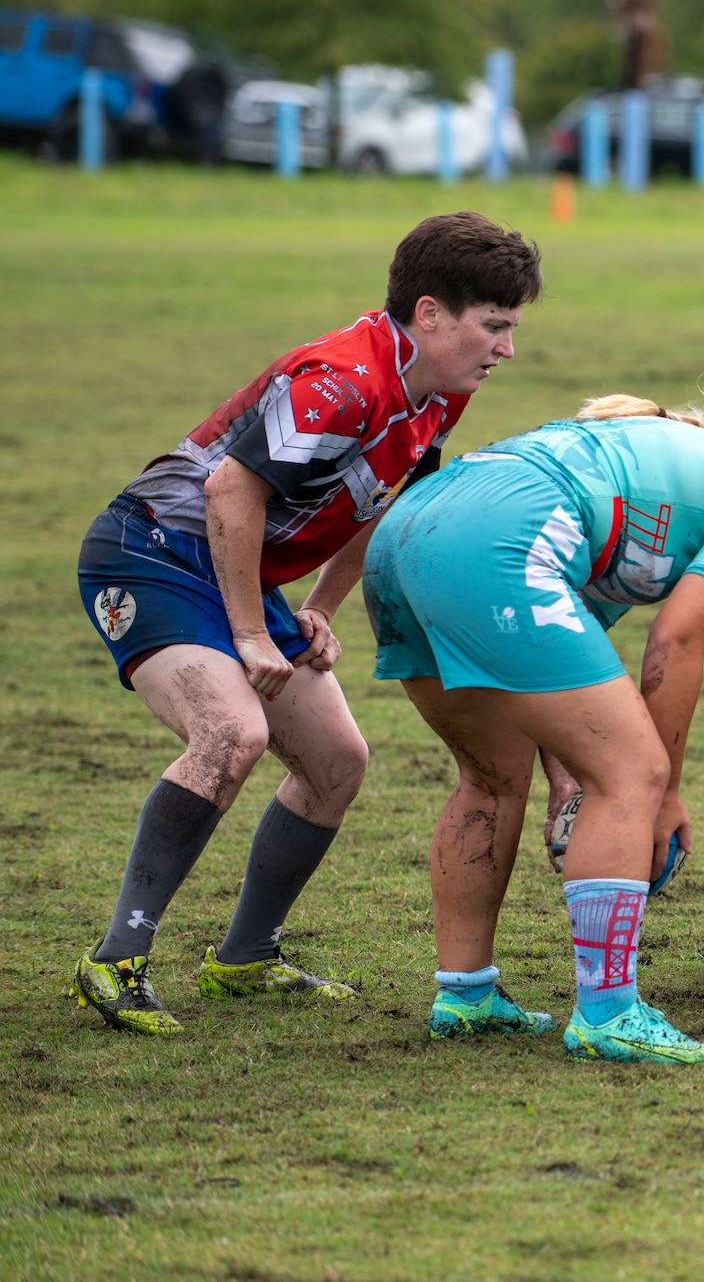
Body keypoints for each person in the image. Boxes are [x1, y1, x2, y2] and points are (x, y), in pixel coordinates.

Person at [69, 213, 540, 1037]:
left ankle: (245, 957)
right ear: (430, 314)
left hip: (231, 568)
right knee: (230, 732)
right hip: (150, 549)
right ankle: (114, 959)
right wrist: (253, 633)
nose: (506, 348)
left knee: (336, 760)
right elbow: (230, 493)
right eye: (493, 326)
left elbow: (378, 505)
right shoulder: (345, 378)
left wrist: (319, 605)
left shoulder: (438, 394)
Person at [362, 375, 704, 1064]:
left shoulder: (673, 464)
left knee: (491, 776)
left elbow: (561, 673)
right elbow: (678, 644)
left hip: (406, 536)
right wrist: (663, 793)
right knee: (635, 770)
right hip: (501, 541)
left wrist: (571, 783)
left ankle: (466, 995)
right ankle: (608, 1013)